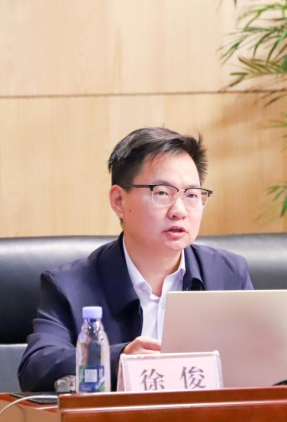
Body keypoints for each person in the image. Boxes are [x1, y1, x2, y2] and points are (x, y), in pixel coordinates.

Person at [18, 127, 253, 391]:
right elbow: (36, 367)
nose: (179, 210)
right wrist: (119, 359)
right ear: (119, 200)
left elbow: (261, 358)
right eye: (162, 193)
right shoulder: (69, 286)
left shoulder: (228, 274)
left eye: (191, 195)